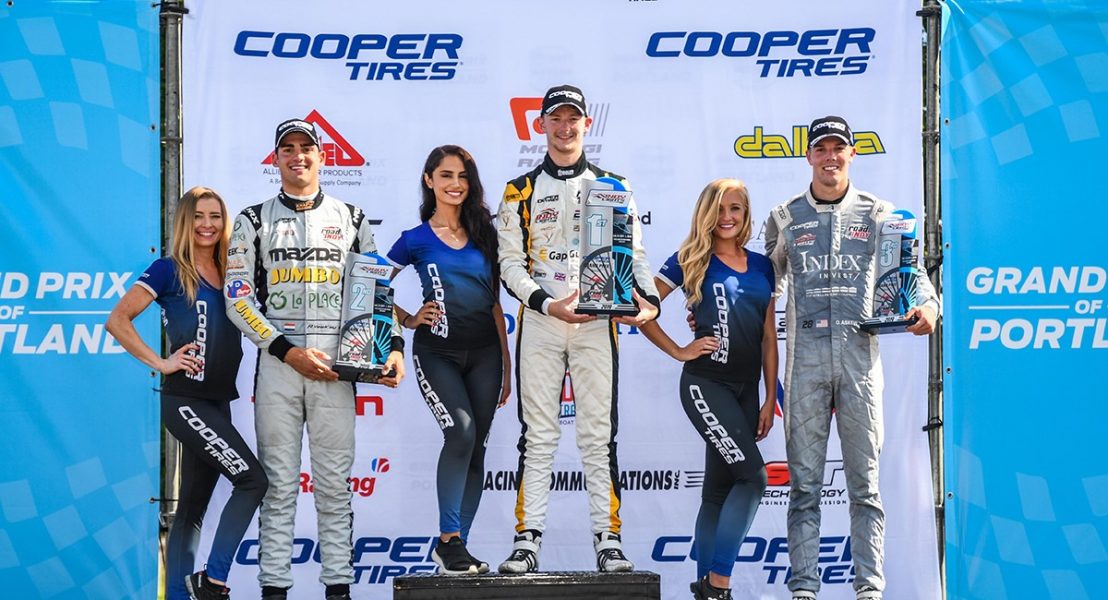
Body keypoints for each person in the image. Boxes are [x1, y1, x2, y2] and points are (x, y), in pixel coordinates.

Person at [224, 119, 404, 600]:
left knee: (334, 485)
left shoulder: (352, 217)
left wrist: (393, 347)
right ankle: (274, 590)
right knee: (278, 486)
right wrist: (287, 351)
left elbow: (376, 289)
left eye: (306, 147)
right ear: (276, 158)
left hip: (335, 369)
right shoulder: (252, 219)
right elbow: (238, 298)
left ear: (323, 156)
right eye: (288, 148)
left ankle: (338, 590)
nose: (297, 155)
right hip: (279, 368)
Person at [764, 116, 940, 600]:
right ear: (808, 156)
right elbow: (762, 287)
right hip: (805, 364)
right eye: (821, 148)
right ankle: (804, 588)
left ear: (851, 153)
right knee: (804, 487)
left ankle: (869, 589)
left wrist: (928, 308)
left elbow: (914, 277)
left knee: (865, 486)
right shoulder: (783, 216)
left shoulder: (880, 214)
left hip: (860, 361)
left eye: (837, 148)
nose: (830, 157)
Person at [495, 84, 661, 574]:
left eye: (573, 119)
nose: (565, 128)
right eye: (556, 118)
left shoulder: (614, 185)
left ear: (587, 124)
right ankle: (526, 540)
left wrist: (649, 303)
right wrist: (547, 304)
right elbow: (509, 264)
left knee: (597, 435)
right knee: (538, 435)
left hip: (598, 323)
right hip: (542, 322)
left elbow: (635, 255)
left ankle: (609, 540)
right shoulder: (519, 190)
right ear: (540, 125)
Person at [107, 187, 267, 600]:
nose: (207, 225)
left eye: (215, 216)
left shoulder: (233, 273)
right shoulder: (168, 269)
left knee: (192, 510)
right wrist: (162, 363)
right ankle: (211, 583)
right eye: (198, 216)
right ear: (184, 221)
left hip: (218, 402)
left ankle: (180, 595)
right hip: (186, 402)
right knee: (252, 480)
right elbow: (118, 320)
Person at [639, 179, 777, 600]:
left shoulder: (762, 266)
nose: (727, 217)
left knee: (719, 490)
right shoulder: (690, 259)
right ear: (705, 214)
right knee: (753, 478)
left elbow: (768, 337)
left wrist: (770, 398)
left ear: (746, 213)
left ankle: (705, 589)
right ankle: (718, 585)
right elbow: (641, 310)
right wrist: (679, 350)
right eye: (719, 209)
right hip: (706, 384)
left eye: (735, 208)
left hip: (747, 391)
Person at [384, 145, 512, 575]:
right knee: (460, 433)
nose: (455, 184)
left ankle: (458, 548)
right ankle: (448, 540)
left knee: (476, 448)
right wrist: (407, 318)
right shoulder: (414, 239)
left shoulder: (486, 234)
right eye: (446, 175)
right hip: (437, 352)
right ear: (429, 180)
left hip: (487, 355)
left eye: (462, 176)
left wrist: (507, 365)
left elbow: (495, 303)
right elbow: (371, 285)